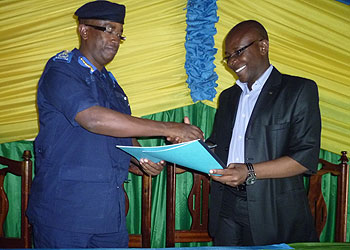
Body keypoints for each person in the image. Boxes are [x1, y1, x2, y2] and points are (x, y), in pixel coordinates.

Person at [26, 1, 203, 248]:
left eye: (119, 34)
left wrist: (143, 161)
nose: (114, 39)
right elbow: (93, 119)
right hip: (65, 211)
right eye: (108, 29)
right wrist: (169, 128)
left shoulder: (112, 84)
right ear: (84, 30)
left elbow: (121, 138)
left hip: (110, 214)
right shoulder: (62, 70)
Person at [207, 20, 321, 246]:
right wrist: (185, 151)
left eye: (238, 52)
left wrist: (249, 171)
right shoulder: (228, 97)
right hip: (226, 205)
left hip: (273, 210)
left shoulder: (298, 90)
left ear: (263, 46)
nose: (232, 62)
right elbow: (218, 147)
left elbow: (305, 158)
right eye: (228, 56)